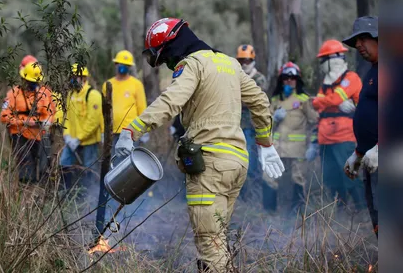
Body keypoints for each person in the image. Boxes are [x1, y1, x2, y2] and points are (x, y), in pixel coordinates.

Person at [115, 18, 285, 272]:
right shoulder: (230, 63)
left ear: (172, 46)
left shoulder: (191, 65)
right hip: (237, 163)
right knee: (217, 240)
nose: (167, 65)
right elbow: (261, 102)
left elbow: (171, 100)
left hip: (209, 165)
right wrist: (266, 144)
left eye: (164, 58)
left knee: (209, 241)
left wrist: (133, 129)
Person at [312, 39, 364, 212]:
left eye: (323, 60)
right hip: (325, 137)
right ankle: (341, 209)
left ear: (332, 59)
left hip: (344, 135)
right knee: (331, 176)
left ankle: (362, 210)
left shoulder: (351, 78)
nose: (321, 64)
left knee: (349, 174)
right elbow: (316, 103)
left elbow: (333, 99)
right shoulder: (327, 82)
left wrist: (326, 101)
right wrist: (329, 101)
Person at [264, 62, 318, 214]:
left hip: (298, 148)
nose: (289, 80)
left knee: (298, 177)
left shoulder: (304, 99)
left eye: (292, 77)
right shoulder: (275, 99)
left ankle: (297, 212)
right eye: (285, 77)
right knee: (269, 176)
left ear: (298, 79)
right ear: (281, 79)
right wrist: (274, 117)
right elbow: (265, 123)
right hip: (277, 147)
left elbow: (314, 121)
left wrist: (314, 144)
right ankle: (268, 211)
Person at [342, 16, 378, 237]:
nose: (357, 45)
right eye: (356, 41)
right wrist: (359, 152)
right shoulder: (373, 71)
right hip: (372, 159)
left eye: (363, 38)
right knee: (379, 219)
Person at [0, 61, 54, 183]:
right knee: (25, 167)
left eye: (35, 81)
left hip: (38, 136)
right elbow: (4, 117)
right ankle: (25, 193)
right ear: (23, 79)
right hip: (19, 135)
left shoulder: (43, 94)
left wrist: (47, 122)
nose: (33, 84)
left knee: (41, 167)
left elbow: (49, 113)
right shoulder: (12, 94)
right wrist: (23, 122)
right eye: (30, 81)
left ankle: (38, 193)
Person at [59, 64, 102, 186]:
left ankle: (89, 195)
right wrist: (67, 135)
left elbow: (93, 121)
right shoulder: (70, 94)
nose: (72, 79)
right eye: (71, 76)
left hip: (89, 142)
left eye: (75, 76)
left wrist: (79, 138)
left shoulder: (93, 95)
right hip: (71, 141)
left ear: (83, 78)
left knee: (90, 169)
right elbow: (66, 116)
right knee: (64, 165)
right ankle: (65, 193)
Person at [236, 44, 269, 201]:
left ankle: (254, 198)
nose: (245, 64)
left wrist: (239, 99)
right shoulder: (235, 77)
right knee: (237, 162)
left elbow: (255, 100)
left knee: (253, 164)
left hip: (253, 128)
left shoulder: (259, 79)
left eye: (248, 60)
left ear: (253, 60)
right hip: (237, 127)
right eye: (242, 60)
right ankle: (240, 197)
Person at [102, 50, 148, 151]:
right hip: (111, 131)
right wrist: (102, 130)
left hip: (130, 131)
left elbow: (142, 108)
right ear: (116, 64)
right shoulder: (108, 84)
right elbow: (103, 110)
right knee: (112, 162)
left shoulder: (136, 84)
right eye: (121, 64)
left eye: (126, 65)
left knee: (127, 162)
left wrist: (144, 130)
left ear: (130, 67)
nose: (123, 66)